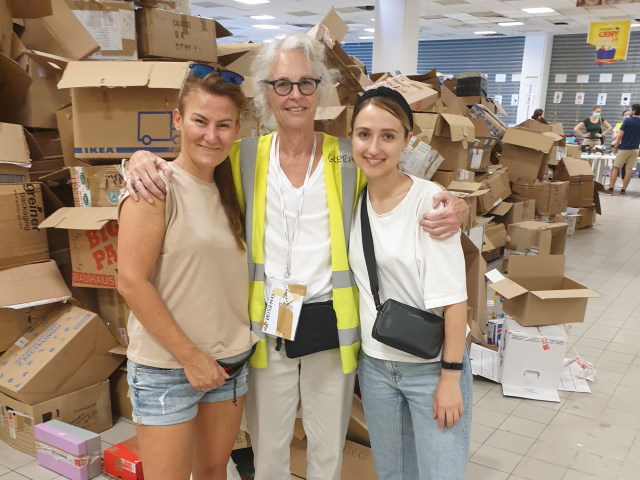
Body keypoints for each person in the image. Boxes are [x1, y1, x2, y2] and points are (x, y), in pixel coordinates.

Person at [124, 33, 467, 480]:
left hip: (332, 327)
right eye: (281, 84)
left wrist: (456, 205)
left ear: (322, 88)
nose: (295, 95)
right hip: (268, 326)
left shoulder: (348, 156)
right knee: (268, 450)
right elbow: (189, 167)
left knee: (327, 451)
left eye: (306, 83)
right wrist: (138, 160)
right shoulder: (242, 156)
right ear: (265, 92)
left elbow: (404, 187)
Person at [117, 64, 258, 480]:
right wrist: (192, 359)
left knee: (214, 470)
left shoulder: (234, 187)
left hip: (229, 362)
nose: (211, 136)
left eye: (224, 125)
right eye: (200, 121)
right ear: (178, 120)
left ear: (236, 130)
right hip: (168, 368)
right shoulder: (155, 187)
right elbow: (130, 281)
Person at [348, 87, 471, 480]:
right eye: (364, 134)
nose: (374, 147)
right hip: (376, 366)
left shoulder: (430, 202)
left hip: (432, 368)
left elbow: (454, 298)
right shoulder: (352, 197)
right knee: (394, 473)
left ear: (408, 140)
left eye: (388, 136)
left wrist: (451, 377)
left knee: (440, 473)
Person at [605, 103, 640, 195]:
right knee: (629, 169)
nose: (630, 111)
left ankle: (611, 188)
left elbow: (620, 135)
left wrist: (616, 147)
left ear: (634, 110)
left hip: (624, 148)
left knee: (616, 167)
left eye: (631, 110)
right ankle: (623, 190)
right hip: (635, 149)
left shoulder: (627, 121)